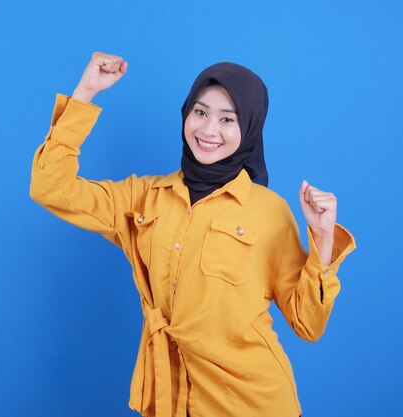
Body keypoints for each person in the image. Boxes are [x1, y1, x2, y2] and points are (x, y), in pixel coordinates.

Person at [29, 51, 356, 417]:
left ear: (248, 128)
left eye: (227, 119)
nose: (208, 130)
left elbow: (308, 324)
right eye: (200, 112)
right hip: (168, 400)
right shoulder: (145, 197)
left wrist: (323, 238)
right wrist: (85, 92)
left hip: (252, 405)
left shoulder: (269, 212)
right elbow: (51, 187)